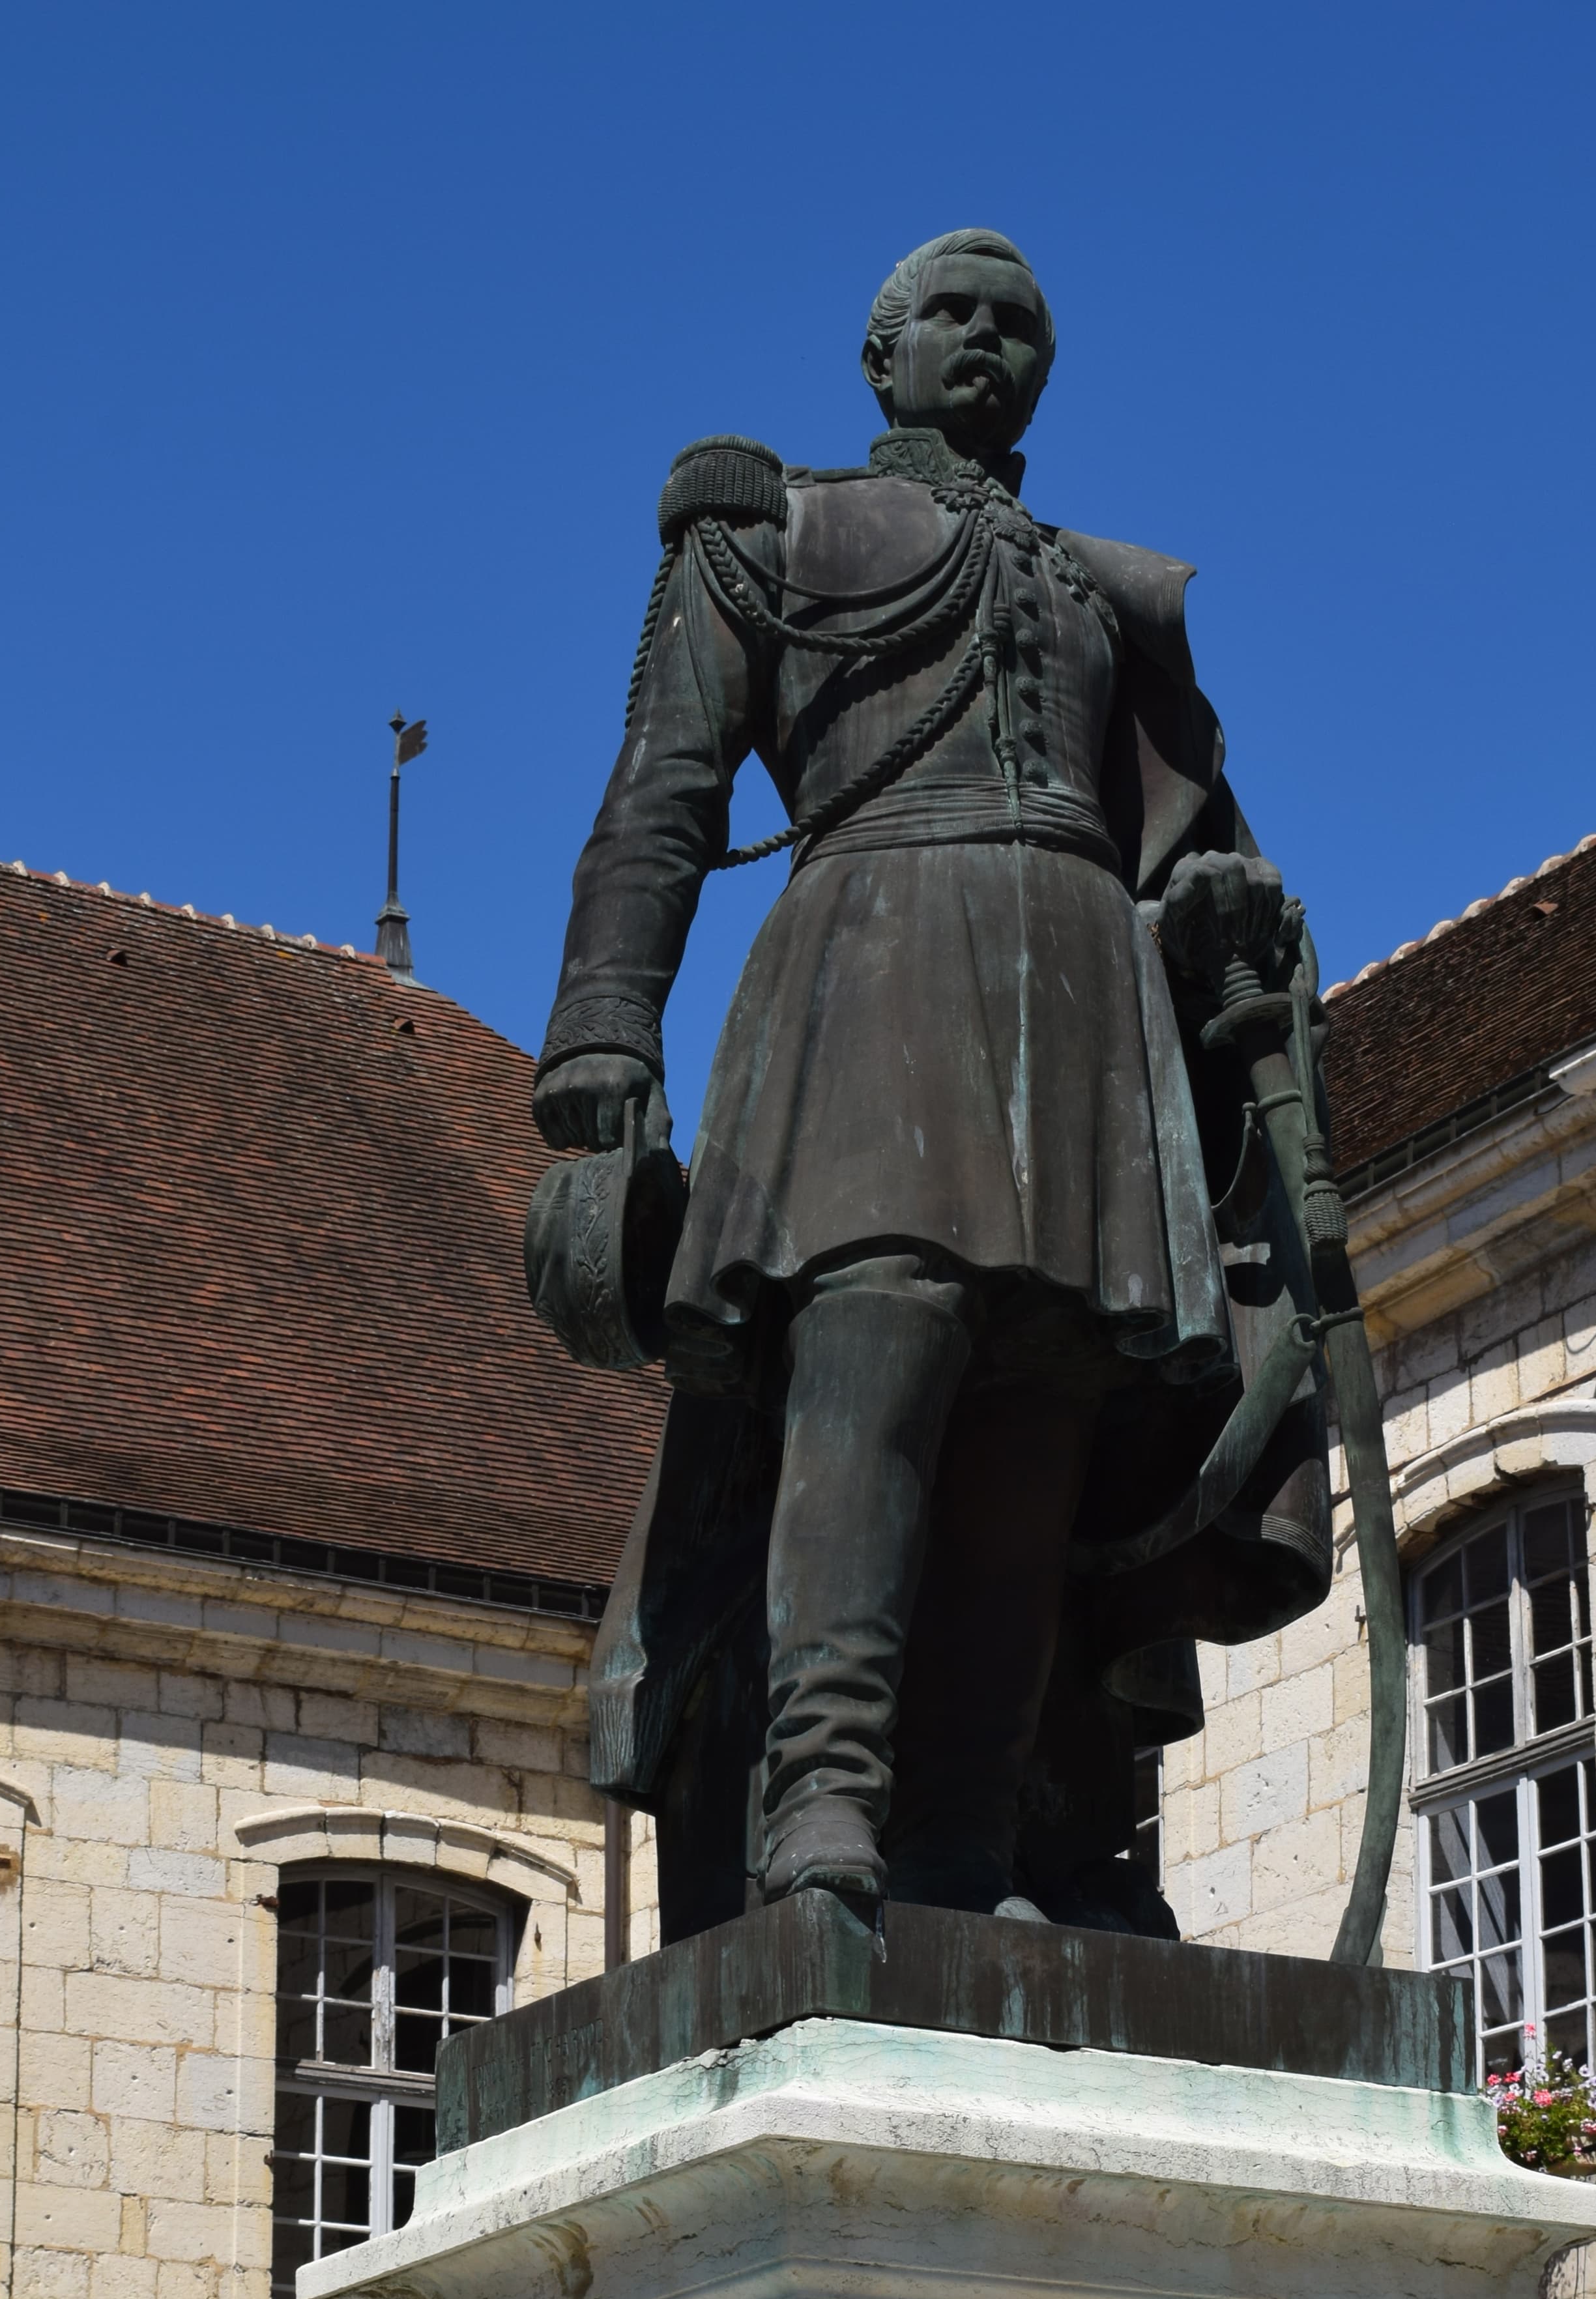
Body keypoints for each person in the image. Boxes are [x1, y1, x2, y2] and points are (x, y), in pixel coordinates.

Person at [533, 228, 1329, 1930]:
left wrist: (1224, 922)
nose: (988, 341)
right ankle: (819, 1810)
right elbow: (663, 797)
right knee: (868, 1384)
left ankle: (968, 1842)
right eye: (951, 316)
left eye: (1020, 325)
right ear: (880, 358)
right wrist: (605, 1030)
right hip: (873, 971)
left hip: (1082, 1010)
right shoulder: (777, 532)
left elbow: (1180, 846)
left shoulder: (1103, 592)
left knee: (1031, 1439)